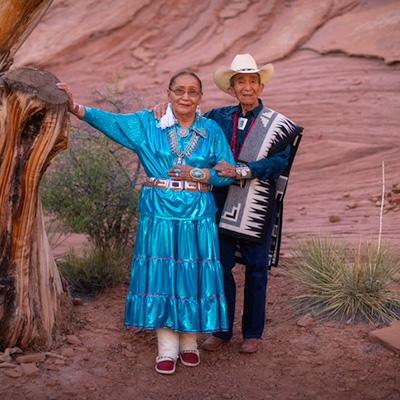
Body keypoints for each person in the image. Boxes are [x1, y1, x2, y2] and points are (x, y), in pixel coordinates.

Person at [57, 70, 235, 374]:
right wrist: (75, 108)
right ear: (167, 93)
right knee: (163, 272)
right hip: (159, 212)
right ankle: (166, 348)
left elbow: (226, 169)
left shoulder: (212, 130)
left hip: (197, 213)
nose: (185, 97)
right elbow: (111, 121)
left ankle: (189, 342)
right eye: (179, 90)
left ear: (200, 97)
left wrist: (200, 173)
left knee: (192, 273)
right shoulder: (147, 124)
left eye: (193, 91)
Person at [153, 54, 303, 354]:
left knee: (256, 269)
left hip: (257, 205)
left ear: (260, 86)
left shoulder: (278, 125)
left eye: (252, 81)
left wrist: (243, 171)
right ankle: (222, 330)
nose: (247, 87)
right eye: (240, 82)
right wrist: (164, 108)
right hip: (220, 203)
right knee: (220, 267)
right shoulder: (217, 117)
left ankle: (252, 332)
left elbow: (278, 162)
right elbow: (187, 121)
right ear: (231, 88)